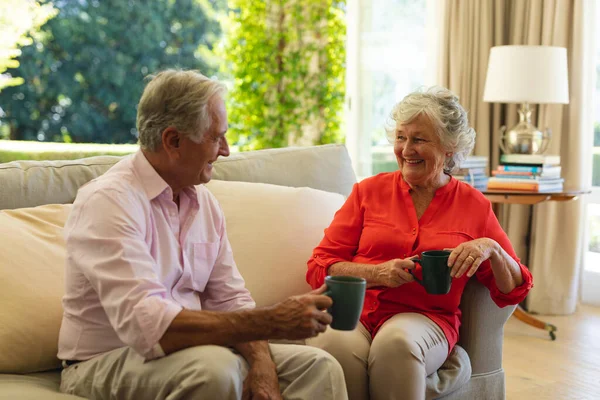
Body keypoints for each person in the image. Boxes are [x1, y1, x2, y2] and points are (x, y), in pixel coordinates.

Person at [58, 69, 348, 400]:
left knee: (318, 368)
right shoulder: (109, 202)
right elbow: (150, 328)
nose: (225, 150)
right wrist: (273, 321)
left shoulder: (203, 202)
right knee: (214, 369)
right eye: (215, 137)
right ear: (173, 141)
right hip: (104, 361)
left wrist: (262, 366)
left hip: (196, 352)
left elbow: (230, 300)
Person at [306, 87, 533, 400]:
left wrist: (491, 249)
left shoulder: (473, 205)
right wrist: (375, 274)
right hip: (356, 313)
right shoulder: (367, 193)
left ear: (449, 147)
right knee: (332, 345)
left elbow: (514, 289)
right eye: (401, 137)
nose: (406, 149)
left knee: (396, 344)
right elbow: (319, 267)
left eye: (419, 139)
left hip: (425, 318)